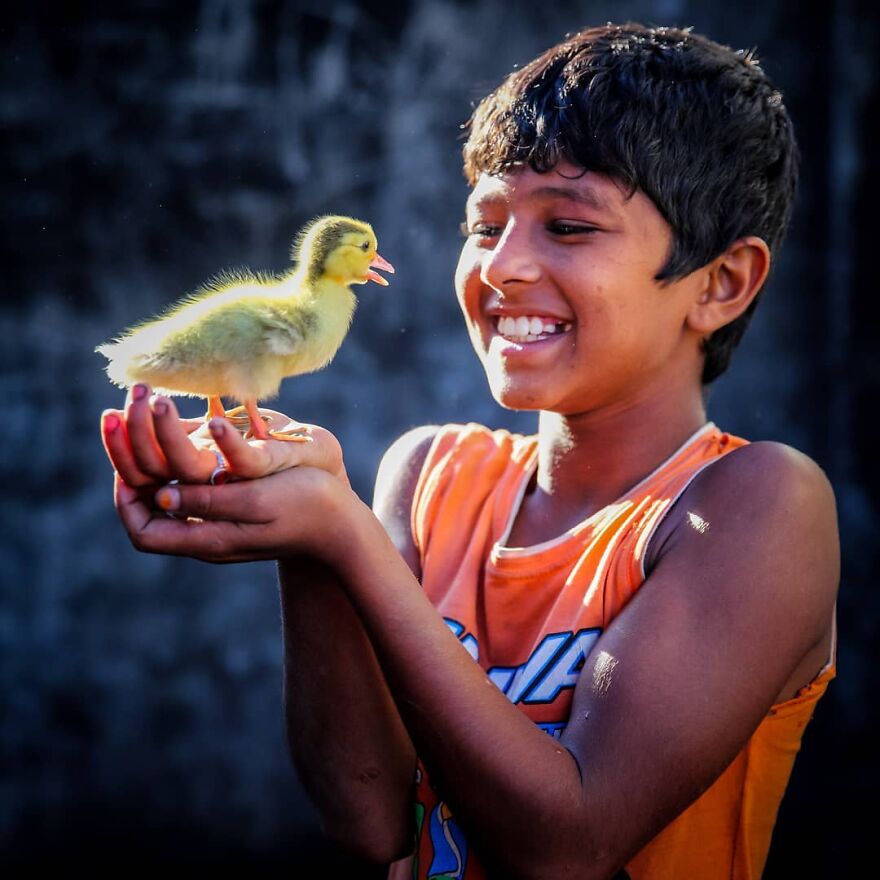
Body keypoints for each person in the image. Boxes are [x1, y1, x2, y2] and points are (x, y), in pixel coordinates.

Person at [100, 22, 839, 880]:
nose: (503, 265)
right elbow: (370, 819)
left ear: (721, 283)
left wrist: (344, 538)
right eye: (484, 226)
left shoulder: (753, 505)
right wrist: (308, 542)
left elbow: (567, 848)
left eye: (567, 227)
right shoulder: (432, 475)